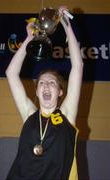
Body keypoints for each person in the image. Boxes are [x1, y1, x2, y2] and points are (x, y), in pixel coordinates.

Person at [5, 6, 83, 180]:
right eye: (41, 83)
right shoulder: (29, 114)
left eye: (52, 83)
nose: (46, 86)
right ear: (38, 92)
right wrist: (30, 38)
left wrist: (65, 24)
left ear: (61, 91)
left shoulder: (67, 115)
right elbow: (11, 73)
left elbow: (78, 67)